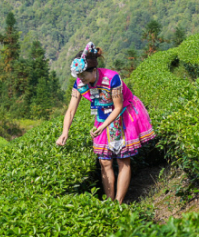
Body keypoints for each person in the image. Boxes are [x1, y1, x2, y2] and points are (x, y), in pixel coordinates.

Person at [56, 41, 155, 203]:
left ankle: (119, 202)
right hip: (103, 116)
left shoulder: (112, 78)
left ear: (94, 70)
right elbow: (71, 110)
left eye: (83, 75)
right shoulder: (80, 83)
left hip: (122, 115)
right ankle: (109, 202)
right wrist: (65, 131)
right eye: (78, 76)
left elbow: (118, 107)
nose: (80, 79)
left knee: (123, 159)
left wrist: (102, 127)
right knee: (104, 162)